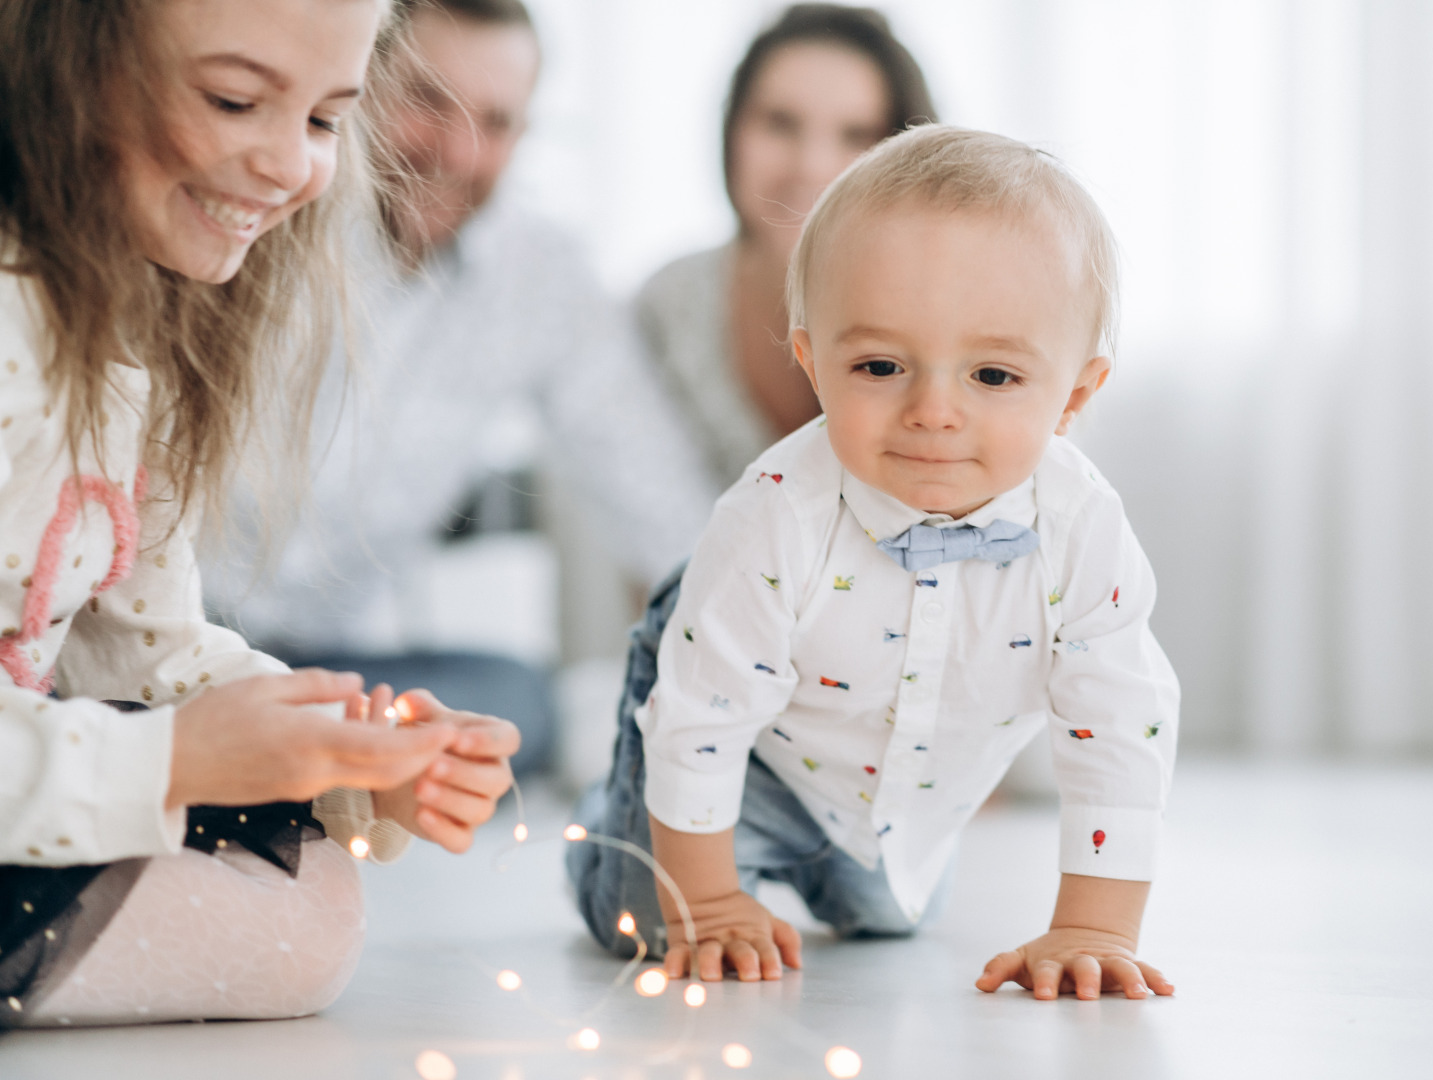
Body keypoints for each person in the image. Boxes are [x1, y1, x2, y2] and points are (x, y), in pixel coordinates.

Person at [568, 126, 1180, 1002]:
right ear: (813, 362)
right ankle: (610, 821)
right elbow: (704, 715)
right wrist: (708, 902)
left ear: (1075, 395)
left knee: (886, 922)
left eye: (994, 377)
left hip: (903, 785)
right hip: (749, 736)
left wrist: (1092, 928)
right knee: (648, 922)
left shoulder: (1081, 529)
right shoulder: (777, 513)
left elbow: (1120, 724)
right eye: (881, 366)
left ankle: (853, 861)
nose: (934, 412)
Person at [1, 0, 518, 1028]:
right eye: (237, 100)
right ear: (66, 67)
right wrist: (173, 761)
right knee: (292, 926)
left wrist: (351, 762)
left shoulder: (126, 331)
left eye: (326, 120)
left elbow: (145, 648)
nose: (291, 166)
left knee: (305, 876)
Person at [207, 0, 719, 778]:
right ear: (363, 82)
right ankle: (280, 756)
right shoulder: (259, 206)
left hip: (336, 672)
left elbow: (663, 513)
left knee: (518, 704)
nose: (458, 151)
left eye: (499, 121)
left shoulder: (541, 276)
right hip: (172, 637)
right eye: (428, 101)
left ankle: (295, 756)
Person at [636, 4, 936, 489]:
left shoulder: (960, 314)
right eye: (780, 123)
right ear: (733, 131)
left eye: (857, 134)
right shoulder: (666, 307)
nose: (811, 166)